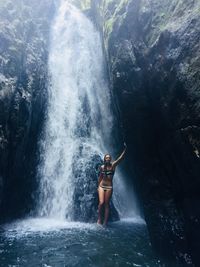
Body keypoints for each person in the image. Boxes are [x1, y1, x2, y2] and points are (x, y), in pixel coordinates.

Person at [97, 142, 127, 226]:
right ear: (104, 159)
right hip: (101, 186)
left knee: (106, 204)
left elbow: (120, 158)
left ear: (110, 159)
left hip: (109, 187)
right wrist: (98, 186)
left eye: (109, 158)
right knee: (101, 203)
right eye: (106, 158)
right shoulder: (102, 167)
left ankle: (105, 222)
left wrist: (125, 149)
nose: (108, 159)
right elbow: (100, 177)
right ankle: (99, 219)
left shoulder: (113, 165)